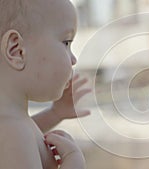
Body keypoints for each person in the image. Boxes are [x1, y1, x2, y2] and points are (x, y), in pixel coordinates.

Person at [0, 0, 91, 168]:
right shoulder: (15, 133)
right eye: (66, 43)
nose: (73, 59)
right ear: (17, 50)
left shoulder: (12, 123)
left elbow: (27, 134)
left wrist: (55, 114)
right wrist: (74, 163)